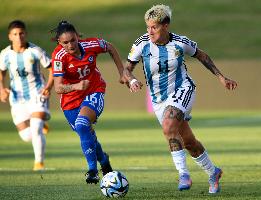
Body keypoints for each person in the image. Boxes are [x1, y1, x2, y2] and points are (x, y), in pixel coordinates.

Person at [123, 5, 237, 193]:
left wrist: (221, 77)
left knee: (168, 126)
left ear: (165, 26)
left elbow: (202, 55)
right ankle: (213, 172)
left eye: (154, 27)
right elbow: (127, 69)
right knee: (189, 143)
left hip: (183, 88)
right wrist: (132, 79)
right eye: (147, 27)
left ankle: (183, 174)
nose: (149, 32)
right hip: (159, 100)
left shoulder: (180, 42)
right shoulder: (142, 43)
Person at [50, 21, 125, 184]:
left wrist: (122, 72)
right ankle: (104, 162)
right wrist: (76, 86)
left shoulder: (91, 44)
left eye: (73, 40)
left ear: (78, 37)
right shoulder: (58, 56)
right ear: (59, 43)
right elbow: (58, 87)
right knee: (87, 134)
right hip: (70, 102)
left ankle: (92, 171)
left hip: (94, 90)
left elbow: (110, 47)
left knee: (83, 124)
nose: (70, 45)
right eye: (65, 42)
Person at [0, 20, 53, 171]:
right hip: (17, 98)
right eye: (15, 34)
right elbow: (1, 72)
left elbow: (52, 69)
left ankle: (39, 164)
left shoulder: (36, 51)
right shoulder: (5, 54)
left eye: (21, 33)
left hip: (37, 93)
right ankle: (42, 125)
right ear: (10, 36)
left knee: (36, 128)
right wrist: (2, 89)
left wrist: (48, 87)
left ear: (26, 34)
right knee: (26, 136)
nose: (19, 37)